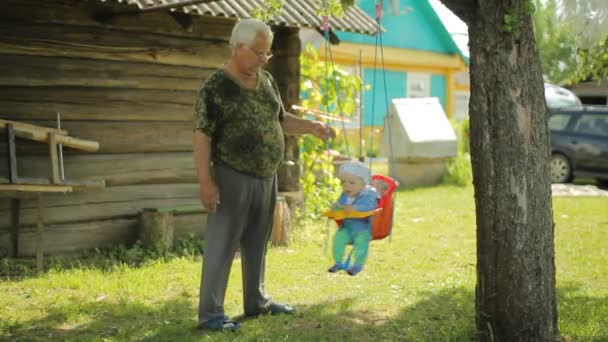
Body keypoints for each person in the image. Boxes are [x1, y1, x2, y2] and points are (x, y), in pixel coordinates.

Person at [193, 18, 335, 332]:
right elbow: (202, 135)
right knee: (223, 245)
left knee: (257, 241)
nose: (263, 59)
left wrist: (310, 128)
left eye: (266, 54)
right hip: (232, 175)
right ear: (237, 47)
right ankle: (211, 316)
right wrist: (206, 181)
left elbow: (280, 119)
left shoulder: (267, 80)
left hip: (265, 177)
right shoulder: (217, 85)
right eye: (258, 53)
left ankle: (256, 302)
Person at [327, 161, 379, 276]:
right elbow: (340, 205)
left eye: (351, 182)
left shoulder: (368, 195)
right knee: (338, 239)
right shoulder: (345, 195)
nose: (346, 186)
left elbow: (369, 206)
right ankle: (339, 262)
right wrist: (335, 207)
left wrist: (353, 208)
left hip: (362, 228)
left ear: (363, 184)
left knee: (361, 243)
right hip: (347, 227)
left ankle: (357, 265)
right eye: (344, 182)